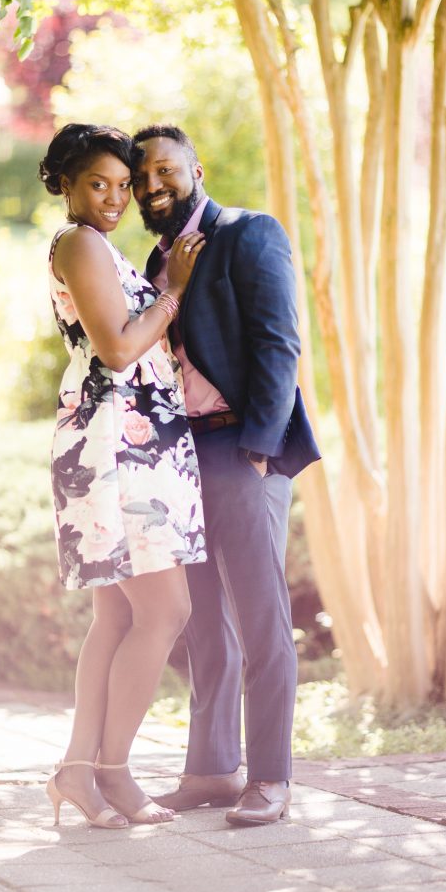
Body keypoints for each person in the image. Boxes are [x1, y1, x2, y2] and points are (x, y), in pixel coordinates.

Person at [131, 125, 321, 826]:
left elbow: (279, 342)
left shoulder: (249, 233)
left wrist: (261, 448)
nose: (152, 184)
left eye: (164, 170)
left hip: (243, 448)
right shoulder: (152, 264)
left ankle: (271, 777)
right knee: (204, 621)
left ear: (195, 169)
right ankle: (211, 770)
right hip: (179, 458)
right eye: (141, 176)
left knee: (261, 617)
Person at [39, 123, 207, 829]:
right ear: (67, 187)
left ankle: (79, 771)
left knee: (119, 613)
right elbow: (115, 349)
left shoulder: (97, 245)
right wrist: (172, 293)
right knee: (166, 612)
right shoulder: (79, 243)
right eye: (97, 185)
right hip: (116, 448)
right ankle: (115, 772)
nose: (112, 198)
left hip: (128, 443)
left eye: (121, 186)